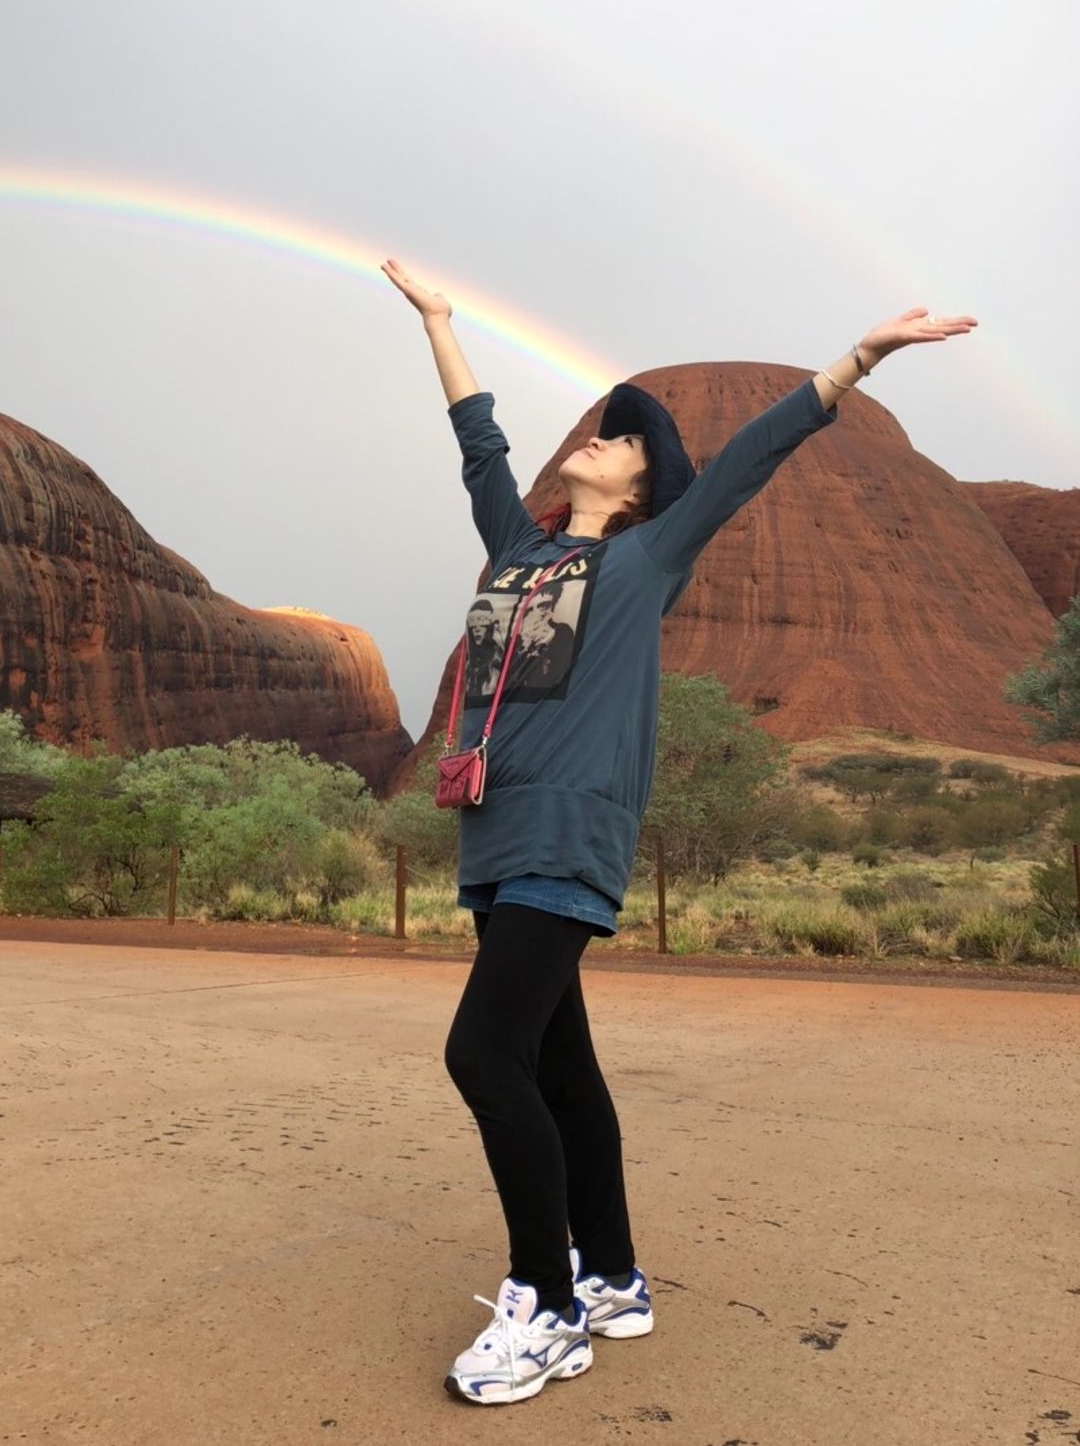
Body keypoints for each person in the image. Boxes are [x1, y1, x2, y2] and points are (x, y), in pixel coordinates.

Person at [381, 256, 976, 1406]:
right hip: (497, 837)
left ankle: (545, 1308)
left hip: (570, 836)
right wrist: (441, 323)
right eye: (601, 430)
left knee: (480, 1055)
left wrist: (860, 357)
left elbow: (752, 459)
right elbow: (480, 448)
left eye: (620, 438)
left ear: (648, 484)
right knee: (562, 1069)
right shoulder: (521, 550)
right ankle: (610, 1277)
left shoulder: (646, 555)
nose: (596, 439)